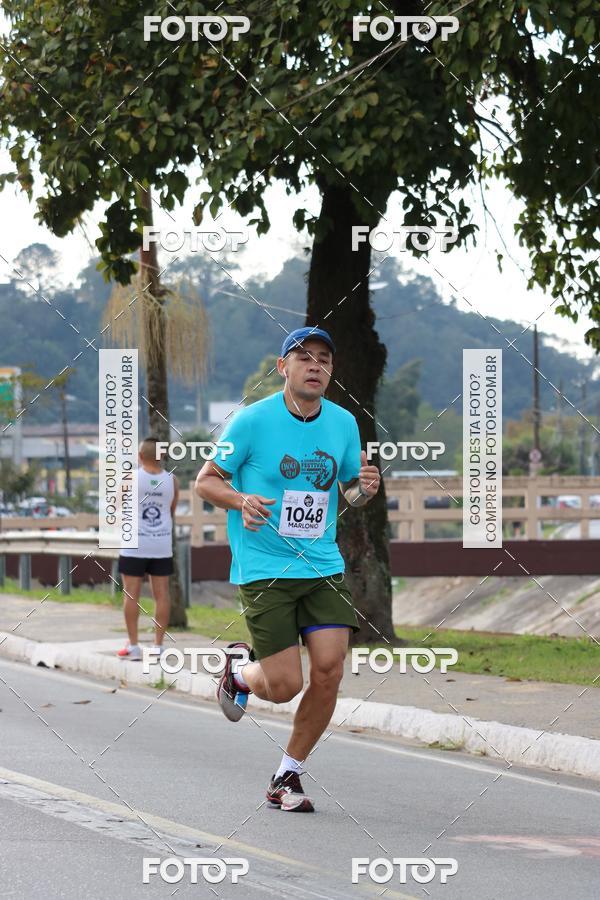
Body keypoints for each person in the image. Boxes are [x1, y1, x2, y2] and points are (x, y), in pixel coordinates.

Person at [195, 327, 381, 812]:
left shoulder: (343, 423)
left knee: (329, 670)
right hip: (265, 568)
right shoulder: (251, 421)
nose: (315, 365)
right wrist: (241, 499)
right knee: (284, 687)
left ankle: (287, 775)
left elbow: (350, 492)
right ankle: (240, 673)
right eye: (304, 357)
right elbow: (206, 481)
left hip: (322, 565)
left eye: (324, 359)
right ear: (283, 367)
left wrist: (364, 489)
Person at [117, 436, 179, 661]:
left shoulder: (130, 477)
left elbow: (117, 506)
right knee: (162, 595)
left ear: (140, 456)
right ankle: (158, 647)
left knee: (131, 594)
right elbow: (171, 510)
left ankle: (133, 647)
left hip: (134, 544)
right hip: (161, 544)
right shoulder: (172, 480)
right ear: (162, 456)